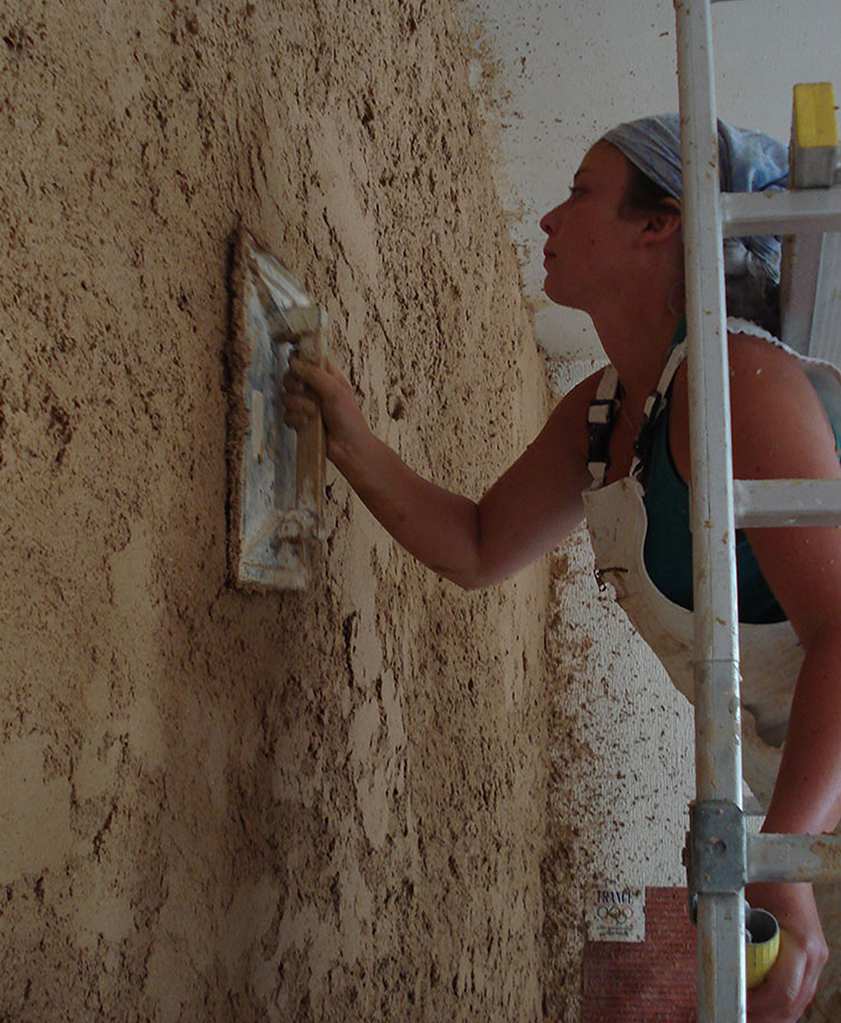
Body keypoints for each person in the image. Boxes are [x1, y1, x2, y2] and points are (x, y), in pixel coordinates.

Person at [282, 114, 841, 1023]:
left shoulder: (738, 383)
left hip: (807, 840)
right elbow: (475, 546)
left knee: (628, 974)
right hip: (790, 825)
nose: (546, 218)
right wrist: (348, 440)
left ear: (658, 222)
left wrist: (784, 858)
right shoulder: (606, 408)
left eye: (580, 192)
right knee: (619, 968)